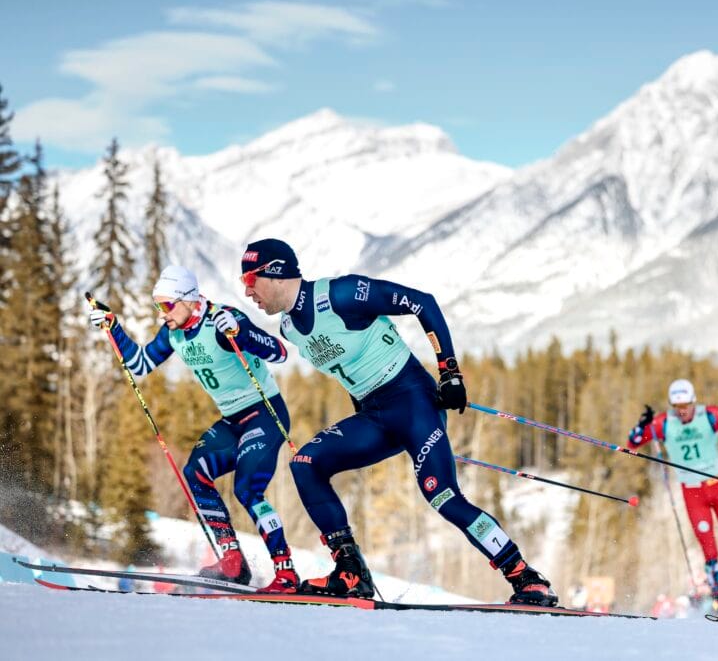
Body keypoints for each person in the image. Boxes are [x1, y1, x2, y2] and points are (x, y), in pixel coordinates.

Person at [238, 239, 557, 606]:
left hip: (413, 402)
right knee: (306, 463)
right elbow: (351, 369)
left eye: (250, 279)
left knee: (442, 495)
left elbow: (423, 303)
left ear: (276, 274)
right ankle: (350, 571)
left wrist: (449, 373)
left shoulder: (341, 295)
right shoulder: (289, 328)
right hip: (374, 415)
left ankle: (527, 579)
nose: (248, 292)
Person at [88, 265, 298, 592]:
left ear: (189, 299)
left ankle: (286, 572)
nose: (162, 314)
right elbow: (141, 364)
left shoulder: (220, 321)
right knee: (195, 472)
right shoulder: (175, 331)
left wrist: (240, 333)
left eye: (167, 306)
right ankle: (232, 561)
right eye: (158, 307)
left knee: (246, 488)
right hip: (232, 420)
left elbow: (280, 352)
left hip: (265, 414)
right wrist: (113, 327)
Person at [627, 379, 718, 612]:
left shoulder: (709, 415)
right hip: (692, 493)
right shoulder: (664, 423)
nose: (682, 411)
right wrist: (641, 425)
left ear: (693, 401)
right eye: (677, 406)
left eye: (686, 404)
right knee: (709, 549)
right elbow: (632, 444)